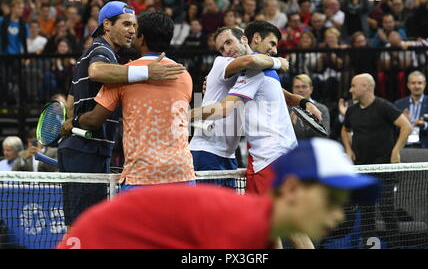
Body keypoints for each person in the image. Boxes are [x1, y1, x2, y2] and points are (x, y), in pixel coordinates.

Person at [57, 138, 382, 249]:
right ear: (293, 189)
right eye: (330, 200)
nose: (338, 215)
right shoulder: (240, 227)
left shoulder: (262, 232)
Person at [58, 1, 185, 227]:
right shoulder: (101, 51)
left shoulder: (95, 53)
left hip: (84, 148)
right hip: (86, 150)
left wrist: (70, 121)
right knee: (84, 227)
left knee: (81, 225)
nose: (132, 31)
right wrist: (146, 70)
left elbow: (70, 99)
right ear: (107, 25)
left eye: (134, 26)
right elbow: (96, 72)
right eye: (126, 24)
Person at [191, 21, 321, 196]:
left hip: (238, 155)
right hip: (208, 150)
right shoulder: (225, 63)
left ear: (244, 39)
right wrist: (182, 115)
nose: (226, 50)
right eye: (221, 48)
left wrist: (306, 103)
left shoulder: (260, 71)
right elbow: (250, 61)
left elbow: (287, 96)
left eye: (229, 42)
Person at [72, 11, 196, 189]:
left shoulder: (123, 75)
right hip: (182, 175)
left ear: (141, 38)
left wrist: (72, 122)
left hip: (141, 178)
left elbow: (93, 120)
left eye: (135, 28)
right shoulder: (184, 75)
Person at [340, 73, 412, 248]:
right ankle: (370, 246)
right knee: (366, 212)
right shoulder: (352, 110)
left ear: (365, 86)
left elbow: (406, 126)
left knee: (387, 210)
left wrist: (396, 151)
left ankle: (394, 246)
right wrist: (349, 151)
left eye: (353, 86)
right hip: (362, 169)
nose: (350, 90)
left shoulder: (384, 106)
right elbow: (344, 130)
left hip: (384, 168)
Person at [394, 71, 428, 149]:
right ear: (408, 85)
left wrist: (424, 124)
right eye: (413, 83)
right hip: (405, 147)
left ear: (425, 85)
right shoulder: (399, 104)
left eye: (420, 83)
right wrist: (403, 122)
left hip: (427, 147)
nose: (416, 86)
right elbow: (392, 130)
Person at [290, 74, 330, 141]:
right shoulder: (286, 108)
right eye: (297, 87)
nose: (300, 90)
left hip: (315, 149)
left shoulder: (322, 109)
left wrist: (308, 126)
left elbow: (324, 136)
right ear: (292, 89)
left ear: (311, 89)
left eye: (304, 86)